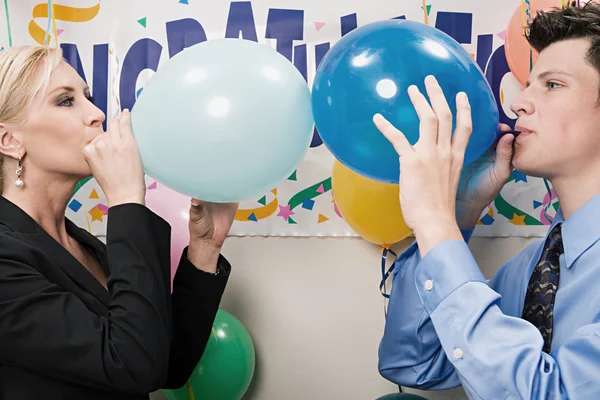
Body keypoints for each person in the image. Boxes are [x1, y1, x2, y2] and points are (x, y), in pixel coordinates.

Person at [374, 3, 600, 399]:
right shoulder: (534, 268)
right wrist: (456, 216)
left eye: (552, 85)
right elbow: (413, 362)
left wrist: (433, 222)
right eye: (528, 85)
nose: (519, 103)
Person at [0, 45, 239, 399]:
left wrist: (206, 247)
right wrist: (126, 197)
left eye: (87, 97)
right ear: (10, 140)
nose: (97, 114)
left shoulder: (84, 245)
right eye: (65, 101)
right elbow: (132, 365)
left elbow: (165, 366)